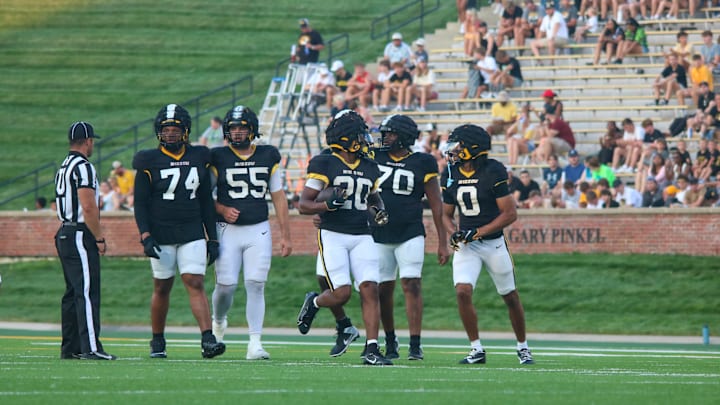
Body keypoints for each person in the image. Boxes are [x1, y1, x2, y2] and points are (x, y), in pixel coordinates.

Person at [296, 109, 393, 366]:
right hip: (333, 234)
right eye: (361, 136)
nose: (365, 140)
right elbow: (303, 204)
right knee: (341, 294)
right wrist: (326, 207)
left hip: (362, 233)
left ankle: (372, 348)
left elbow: (373, 196)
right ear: (348, 139)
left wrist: (379, 210)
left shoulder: (369, 166)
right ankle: (315, 301)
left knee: (370, 288)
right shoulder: (325, 163)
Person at [132, 104, 225, 359]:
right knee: (162, 286)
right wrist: (145, 235)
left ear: (185, 131)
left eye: (175, 129)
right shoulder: (148, 160)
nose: (170, 134)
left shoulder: (199, 156)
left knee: (195, 281)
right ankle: (157, 340)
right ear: (158, 132)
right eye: (166, 129)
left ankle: (208, 338)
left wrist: (212, 237)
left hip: (192, 230)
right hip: (161, 232)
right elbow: (139, 202)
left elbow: (206, 200)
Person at [440, 124, 534, 365]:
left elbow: (510, 214)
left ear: (472, 148)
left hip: (493, 244)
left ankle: (523, 347)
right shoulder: (451, 172)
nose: (453, 150)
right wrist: (453, 233)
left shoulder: (493, 170)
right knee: (462, 291)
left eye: (458, 145)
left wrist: (478, 232)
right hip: (468, 245)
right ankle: (476, 349)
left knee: (510, 296)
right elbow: (445, 215)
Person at [209, 106, 292, 360]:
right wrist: (221, 208)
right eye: (233, 127)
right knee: (226, 286)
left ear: (252, 129)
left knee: (256, 284)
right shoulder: (218, 157)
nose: (237, 132)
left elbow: (278, 197)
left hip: (258, 228)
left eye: (242, 127)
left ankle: (255, 343)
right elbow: (203, 197)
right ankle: (218, 321)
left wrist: (285, 235)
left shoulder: (268, 155)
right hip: (228, 230)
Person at [367, 115, 451, 361]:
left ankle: (415, 343)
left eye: (390, 134)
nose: (385, 138)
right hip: (378, 232)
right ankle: (390, 339)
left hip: (409, 231)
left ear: (403, 137)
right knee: (383, 289)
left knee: (412, 284)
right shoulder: (375, 156)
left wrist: (443, 242)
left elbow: (436, 204)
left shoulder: (423, 162)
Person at [54, 121, 115, 360]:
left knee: (72, 293)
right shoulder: (83, 167)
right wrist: (99, 237)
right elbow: (88, 206)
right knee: (86, 292)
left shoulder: (65, 165)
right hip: (79, 233)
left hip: (64, 231)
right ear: (88, 141)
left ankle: (71, 347)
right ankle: (90, 347)